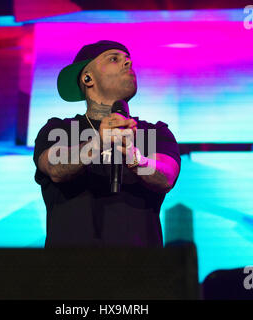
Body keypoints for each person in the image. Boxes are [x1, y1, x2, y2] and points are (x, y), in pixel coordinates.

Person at [33, 40, 181, 248]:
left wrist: (135, 158)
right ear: (87, 78)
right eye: (114, 59)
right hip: (70, 273)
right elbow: (55, 167)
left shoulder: (156, 132)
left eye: (128, 60)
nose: (127, 63)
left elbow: (166, 175)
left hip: (142, 273)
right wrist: (99, 143)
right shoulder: (58, 130)